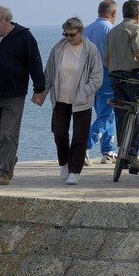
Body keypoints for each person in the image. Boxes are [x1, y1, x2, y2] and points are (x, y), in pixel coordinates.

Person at [0, 5, 46, 185]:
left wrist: (39, 89)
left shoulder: (24, 37)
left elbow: (35, 64)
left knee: (8, 134)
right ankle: (9, 159)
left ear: (6, 20)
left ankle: (4, 171)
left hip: (14, 96)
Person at [34, 17, 103, 182]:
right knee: (59, 134)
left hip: (82, 100)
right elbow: (49, 74)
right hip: (60, 99)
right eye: (65, 34)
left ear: (80, 32)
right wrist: (41, 92)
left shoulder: (91, 50)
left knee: (80, 136)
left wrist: (85, 91)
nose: (68, 37)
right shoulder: (58, 48)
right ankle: (64, 163)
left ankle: (74, 171)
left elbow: (97, 77)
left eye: (71, 34)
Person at [104, 0, 139, 174]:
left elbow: (107, 57)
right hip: (132, 77)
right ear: (138, 14)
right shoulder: (135, 29)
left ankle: (123, 153)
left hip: (115, 78)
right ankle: (132, 152)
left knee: (123, 117)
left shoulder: (114, 31)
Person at [84, 0, 118, 162]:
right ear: (113, 13)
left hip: (89, 75)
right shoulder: (109, 29)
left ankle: (108, 151)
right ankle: (84, 145)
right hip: (105, 73)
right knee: (107, 113)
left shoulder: (87, 30)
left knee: (103, 113)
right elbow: (111, 55)